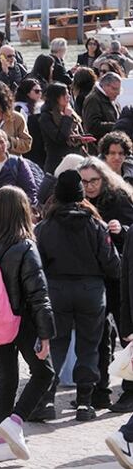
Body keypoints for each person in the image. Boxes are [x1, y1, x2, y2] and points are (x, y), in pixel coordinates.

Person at [36, 170, 120, 421]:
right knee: (89, 346)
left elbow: (37, 263)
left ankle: (47, 399)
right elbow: (112, 266)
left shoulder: (45, 227)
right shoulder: (97, 225)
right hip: (91, 291)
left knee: (55, 345)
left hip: (57, 290)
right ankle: (85, 402)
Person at [0, 186, 55, 463]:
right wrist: (46, 333)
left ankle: (0, 443)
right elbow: (38, 294)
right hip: (23, 322)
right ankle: (15, 421)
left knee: (7, 381)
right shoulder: (26, 246)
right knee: (44, 373)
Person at [79, 157, 133, 410]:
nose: (89, 186)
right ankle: (100, 390)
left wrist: (121, 229)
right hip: (96, 279)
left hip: (121, 278)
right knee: (99, 337)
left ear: (104, 178)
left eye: (93, 181)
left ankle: (130, 391)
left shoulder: (119, 199)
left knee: (127, 335)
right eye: (84, 181)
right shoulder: (82, 203)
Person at [0, 128, 39, 213]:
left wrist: (30, 211)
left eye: (2, 142)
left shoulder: (17, 163)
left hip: (13, 215)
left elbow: (30, 189)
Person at [38, 83, 88, 174]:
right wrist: (67, 118)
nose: (68, 97)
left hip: (76, 160)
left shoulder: (71, 112)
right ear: (56, 97)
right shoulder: (46, 117)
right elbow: (60, 138)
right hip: (57, 163)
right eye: (65, 94)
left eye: (68, 93)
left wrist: (81, 139)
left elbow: (79, 132)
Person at [83, 72, 123, 144]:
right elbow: (92, 126)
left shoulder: (112, 99)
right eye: (114, 89)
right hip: (99, 146)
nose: (118, 92)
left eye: (119, 89)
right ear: (104, 86)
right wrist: (117, 125)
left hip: (112, 144)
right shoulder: (93, 99)